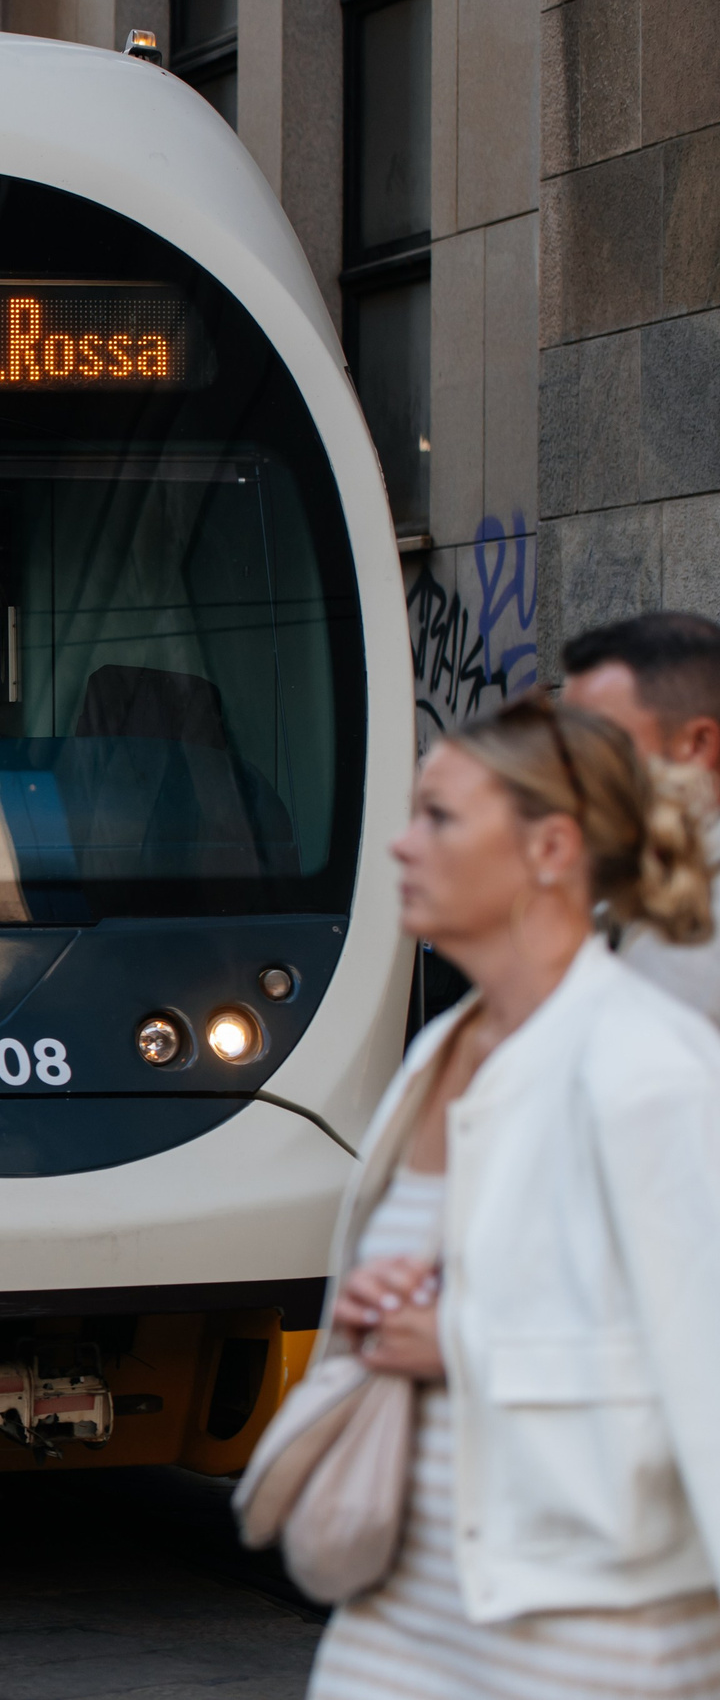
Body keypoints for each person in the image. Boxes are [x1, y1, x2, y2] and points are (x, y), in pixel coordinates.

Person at [304, 692, 720, 1698]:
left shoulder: (646, 1069)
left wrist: (460, 1341)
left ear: (549, 849)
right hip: (399, 1616)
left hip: (582, 1642)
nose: (400, 844)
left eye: (439, 816)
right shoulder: (436, 1053)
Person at [561, 611, 720, 1021]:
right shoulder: (636, 877)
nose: (567, 772)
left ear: (698, 744)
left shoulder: (701, 937)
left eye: (598, 741)